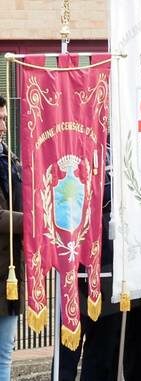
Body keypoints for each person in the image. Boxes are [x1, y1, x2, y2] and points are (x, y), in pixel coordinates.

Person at [57, 143, 141, 381]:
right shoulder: (71, 144)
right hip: (77, 261)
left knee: (104, 349)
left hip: (112, 262)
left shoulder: (121, 143)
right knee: (69, 348)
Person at [0, 94, 23, 381]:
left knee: (5, 351)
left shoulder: (9, 156)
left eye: (4, 118)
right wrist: (32, 222)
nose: (3, 124)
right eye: (0, 119)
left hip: (10, 271)